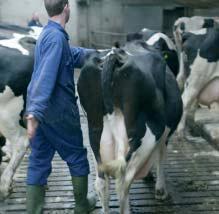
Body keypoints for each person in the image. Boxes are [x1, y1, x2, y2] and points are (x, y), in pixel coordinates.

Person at [25, 0, 96, 213]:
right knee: (76, 156)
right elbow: (46, 74)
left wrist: (97, 55)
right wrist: (35, 112)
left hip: (44, 112)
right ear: (66, 7)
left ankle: (33, 210)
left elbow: (68, 56)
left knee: (38, 160)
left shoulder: (49, 33)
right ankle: (82, 206)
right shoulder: (56, 38)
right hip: (59, 111)